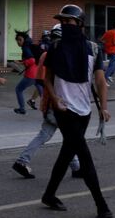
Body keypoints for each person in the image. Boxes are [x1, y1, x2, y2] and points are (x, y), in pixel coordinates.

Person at [40, 4, 113, 218]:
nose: (64, 25)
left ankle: (49, 194)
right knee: (84, 156)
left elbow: (100, 81)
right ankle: (101, 205)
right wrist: (54, 99)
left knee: (66, 153)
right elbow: (47, 78)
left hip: (84, 110)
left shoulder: (93, 48)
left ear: (79, 24)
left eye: (68, 22)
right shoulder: (56, 46)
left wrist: (104, 107)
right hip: (64, 110)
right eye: (61, 22)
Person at [12, 24, 81, 179]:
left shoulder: (46, 55)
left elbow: (41, 79)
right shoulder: (64, 57)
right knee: (70, 137)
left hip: (50, 103)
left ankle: (23, 160)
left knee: (47, 135)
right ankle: (76, 167)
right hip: (62, 104)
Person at [12, 30, 42, 115]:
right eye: (17, 40)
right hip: (37, 73)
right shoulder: (29, 46)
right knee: (41, 92)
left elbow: (32, 60)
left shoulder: (25, 48)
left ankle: (22, 109)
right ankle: (48, 110)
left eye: (20, 40)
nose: (18, 42)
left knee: (18, 89)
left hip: (31, 74)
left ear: (24, 39)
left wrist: (20, 63)